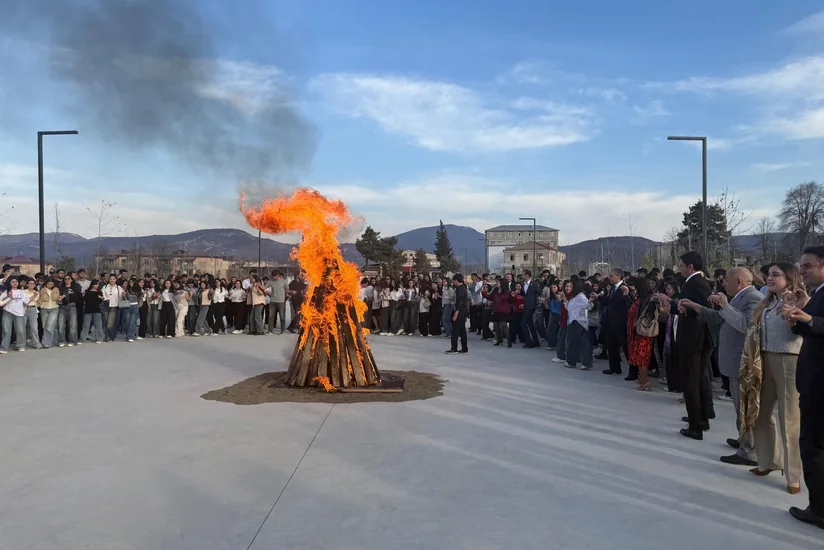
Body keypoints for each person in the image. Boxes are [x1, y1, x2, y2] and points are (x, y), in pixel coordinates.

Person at [680, 267, 762, 465]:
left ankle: (749, 451)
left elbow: (747, 325)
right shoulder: (738, 297)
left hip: (742, 361)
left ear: (739, 282)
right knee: (738, 406)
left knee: (744, 407)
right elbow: (717, 318)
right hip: (733, 360)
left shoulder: (753, 298)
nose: (723, 283)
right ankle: (744, 439)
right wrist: (694, 306)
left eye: (726, 280)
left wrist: (725, 305)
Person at [738, 262, 803, 494]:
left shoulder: (797, 299)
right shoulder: (768, 301)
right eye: (769, 275)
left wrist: (793, 307)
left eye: (776, 275)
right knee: (760, 412)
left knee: (789, 419)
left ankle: (793, 475)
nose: (770, 278)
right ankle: (768, 461)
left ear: (789, 277)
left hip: (788, 360)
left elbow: (800, 325)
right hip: (763, 360)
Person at [785, 246, 824, 528]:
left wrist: (809, 318)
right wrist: (799, 313)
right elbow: (804, 327)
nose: (802, 271)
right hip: (813, 379)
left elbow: (814, 324)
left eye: (807, 266)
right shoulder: (818, 294)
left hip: (819, 383)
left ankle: (819, 510)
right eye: (801, 266)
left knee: (813, 446)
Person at [675, 251, 715, 440]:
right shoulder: (698, 282)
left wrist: (685, 310)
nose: (679, 268)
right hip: (697, 338)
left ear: (690, 266)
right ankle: (701, 418)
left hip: (694, 339)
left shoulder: (696, 283)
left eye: (681, 265)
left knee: (691, 381)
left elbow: (702, 311)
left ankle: (695, 427)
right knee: (699, 379)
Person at [626, 277, 656, 390]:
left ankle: (645, 382)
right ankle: (642, 379)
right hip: (637, 332)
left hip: (642, 332)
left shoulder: (647, 299)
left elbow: (645, 316)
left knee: (642, 357)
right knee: (638, 357)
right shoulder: (642, 298)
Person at [602, 269, 632, 377]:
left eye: (611, 275)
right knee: (611, 345)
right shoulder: (613, 288)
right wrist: (599, 298)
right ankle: (614, 367)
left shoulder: (624, 288)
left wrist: (626, 294)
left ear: (618, 276)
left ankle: (633, 370)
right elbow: (610, 302)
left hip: (621, 322)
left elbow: (629, 304)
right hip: (611, 321)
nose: (609, 277)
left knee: (625, 346)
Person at [562, 279, 592, 370]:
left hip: (578, 322)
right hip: (575, 321)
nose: (569, 288)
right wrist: (564, 298)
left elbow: (588, 306)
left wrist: (590, 300)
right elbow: (569, 308)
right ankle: (585, 362)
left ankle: (572, 362)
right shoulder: (574, 297)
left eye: (571, 286)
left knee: (573, 343)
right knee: (580, 343)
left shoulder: (580, 297)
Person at [0, 277, 30, 353]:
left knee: (20, 330)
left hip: (19, 313)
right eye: (13, 282)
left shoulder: (22, 292)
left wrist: (32, 296)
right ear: (10, 283)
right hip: (8, 312)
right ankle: (4, 347)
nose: (15, 283)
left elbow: (27, 302)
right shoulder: (6, 292)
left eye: (16, 281)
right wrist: (8, 296)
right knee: (6, 330)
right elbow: (1, 302)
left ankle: (20, 345)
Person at [445, 273, 469, 354]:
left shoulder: (461, 288)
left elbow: (461, 302)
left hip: (461, 310)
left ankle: (454, 348)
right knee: (462, 330)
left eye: (453, 281)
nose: (453, 283)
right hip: (463, 309)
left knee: (455, 330)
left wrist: (456, 313)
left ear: (456, 280)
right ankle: (464, 348)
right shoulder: (461, 288)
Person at [57, 274, 81, 347]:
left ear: (71, 280)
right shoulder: (61, 288)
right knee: (61, 325)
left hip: (72, 306)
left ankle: (73, 341)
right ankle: (61, 341)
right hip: (62, 307)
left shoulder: (75, 288)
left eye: (69, 278)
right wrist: (60, 299)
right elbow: (58, 298)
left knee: (72, 325)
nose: (67, 280)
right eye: (65, 279)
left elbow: (79, 298)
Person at [520, 270, 541, 348]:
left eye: (523, 274)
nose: (522, 276)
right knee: (530, 324)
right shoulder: (523, 284)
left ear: (527, 275)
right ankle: (536, 341)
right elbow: (524, 295)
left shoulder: (534, 284)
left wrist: (542, 299)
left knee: (523, 323)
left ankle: (528, 341)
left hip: (531, 306)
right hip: (526, 306)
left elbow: (539, 293)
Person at [80, 279, 104, 344]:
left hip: (96, 310)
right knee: (86, 325)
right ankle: (82, 339)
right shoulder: (87, 291)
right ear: (92, 284)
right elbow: (84, 300)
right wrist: (84, 295)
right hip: (88, 309)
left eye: (98, 284)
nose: (97, 285)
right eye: (96, 284)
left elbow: (99, 302)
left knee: (98, 324)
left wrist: (101, 298)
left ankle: (99, 338)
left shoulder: (99, 292)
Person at [38, 279, 60, 348]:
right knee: (44, 325)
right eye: (49, 284)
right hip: (44, 308)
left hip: (54, 308)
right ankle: (45, 341)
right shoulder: (42, 289)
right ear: (46, 284)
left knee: (50, 326)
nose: (50, 285)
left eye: (52, 284)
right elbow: (39, 298)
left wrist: (60, 299)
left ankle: (48, 342)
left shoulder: (56, 289)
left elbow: (58, 298)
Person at [23, 279, 42, 349]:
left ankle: (36, 343)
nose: (32, 285)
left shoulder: (37, 292)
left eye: (33, 283)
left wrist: (39, 302)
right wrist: (33, 296)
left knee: (34, 327)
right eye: (30, 283)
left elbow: (37, 303)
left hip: (33, 309)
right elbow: (25, 301)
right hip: (24, 309)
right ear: (27, 284)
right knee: (22, 327)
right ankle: (22, 344)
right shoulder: (23, 292)